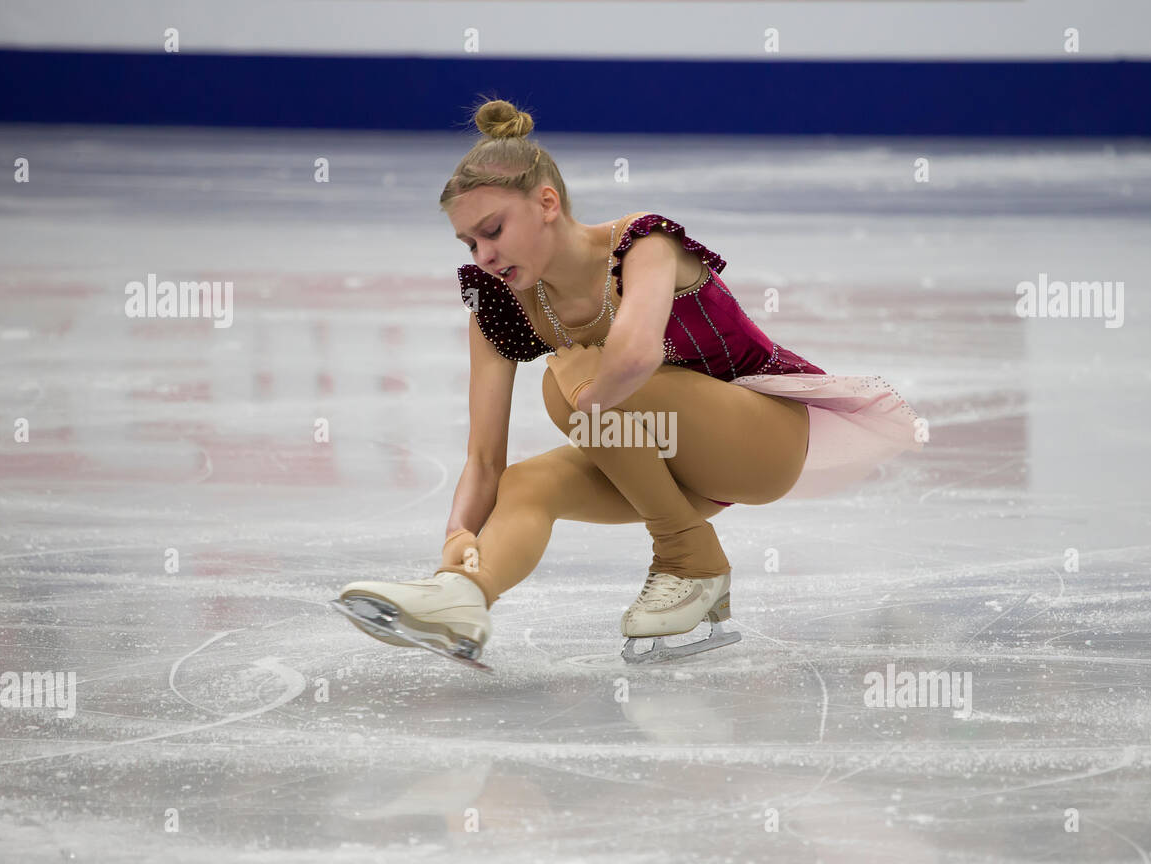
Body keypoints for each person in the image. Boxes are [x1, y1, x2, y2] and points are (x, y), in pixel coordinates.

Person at [335, 97, 923, 666]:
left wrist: (581, 403)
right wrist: (459, 537)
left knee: (570, 378)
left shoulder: (644, 243)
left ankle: (686, 557)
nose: (484, 254)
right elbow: (484, 457)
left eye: (493, 230)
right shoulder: (500, 304)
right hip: (667, 461)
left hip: (761, 440)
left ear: (545, 203)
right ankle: (463, 598)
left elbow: (636, 357)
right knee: (524, 486)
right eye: (471, 243)